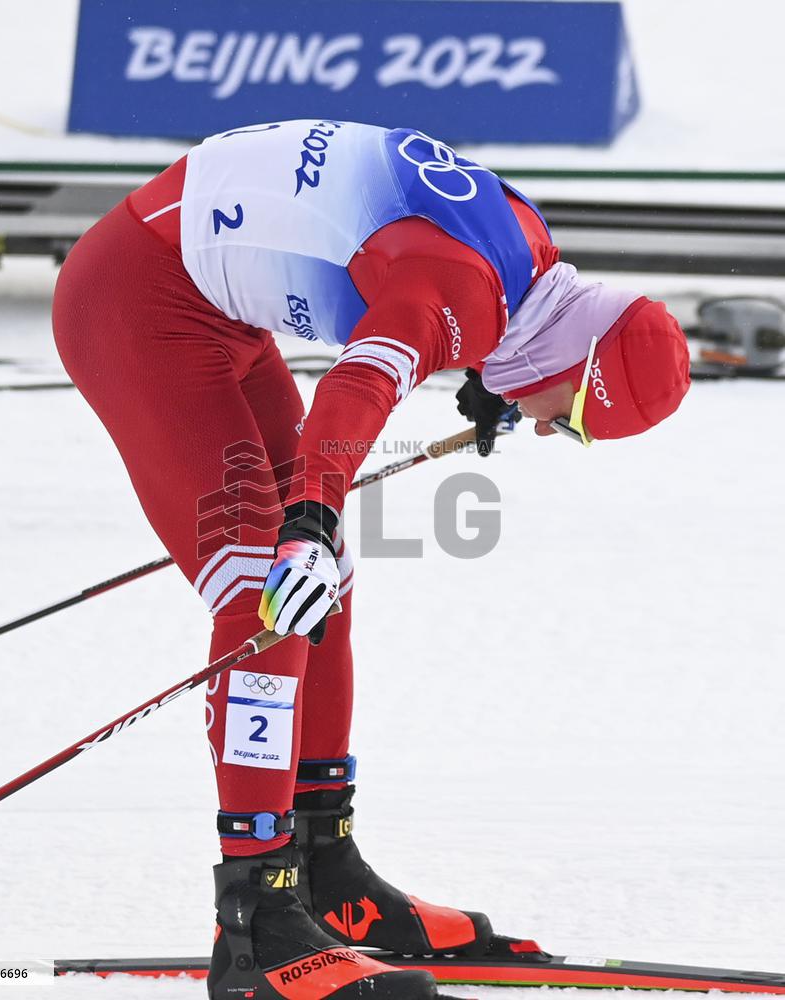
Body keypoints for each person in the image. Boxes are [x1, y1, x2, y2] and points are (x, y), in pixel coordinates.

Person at [52, 120, 690, 1000]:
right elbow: (358, 383)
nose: (549, 427)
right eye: (571, 417)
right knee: (268, 592)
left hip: (208, 308)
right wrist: (308, 515)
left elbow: (416, 262)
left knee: (326, 588)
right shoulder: (464, 299)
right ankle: (255, 925)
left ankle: (323, 874)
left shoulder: (525, 267)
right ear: (572, 360)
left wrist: (486, 373)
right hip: (139, 308)